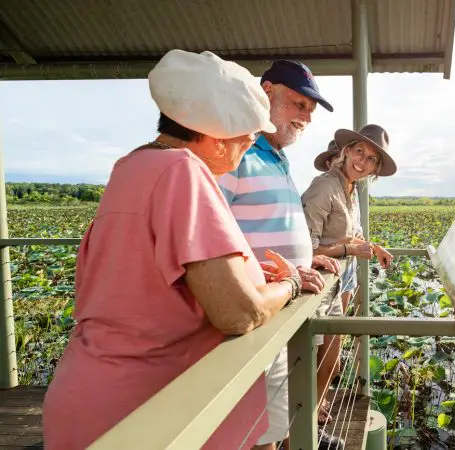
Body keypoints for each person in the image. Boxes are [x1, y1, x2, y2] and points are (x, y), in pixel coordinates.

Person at [42, 49, 302, 450]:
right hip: (147, 414)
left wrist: (250, 275)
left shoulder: (132, 165)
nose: (247, 149)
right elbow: (239, 312)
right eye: (247, 139)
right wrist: (289, 285)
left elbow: (157, 278)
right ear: (216, 140)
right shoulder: (184, 172)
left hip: (95, 398)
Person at [217, 60, 343, 450]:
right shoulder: (232, 152)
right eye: (297, 104)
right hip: (254, 312)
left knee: (273, 418)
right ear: (266, 91)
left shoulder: (276, 156)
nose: (306, 116)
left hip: (280, 304)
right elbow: (211, 239)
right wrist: (277, 278)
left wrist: (305, 262)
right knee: (258, 429)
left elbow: (268, 225)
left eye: (310, 109)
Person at [301, 124, 397, 426]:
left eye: (371, 160)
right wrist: (349, 252)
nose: (363, 162)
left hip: (335, 283)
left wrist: (375, 246)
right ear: (346, 151)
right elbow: (307, 246)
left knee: (333, 356)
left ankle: (315, 410)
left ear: (375, 169)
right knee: (315, 358)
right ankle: (305, 424)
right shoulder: (324, 186)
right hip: (315, 286)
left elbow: (351, 235)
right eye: (360, 152)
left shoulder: (349, 188)